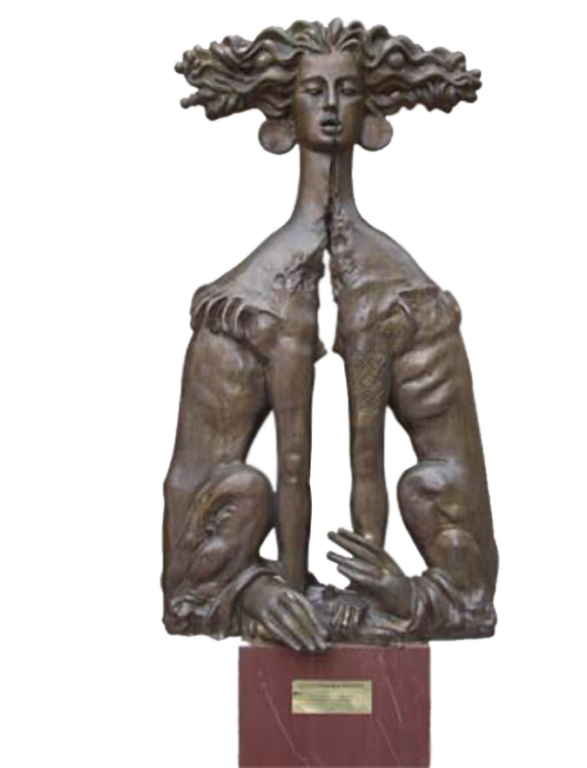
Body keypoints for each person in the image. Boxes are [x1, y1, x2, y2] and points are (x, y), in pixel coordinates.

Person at [162, 15, 498, 647]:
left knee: (424, 485)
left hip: (426, 564)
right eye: (314, 90)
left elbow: (470, 576)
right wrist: (258, 590)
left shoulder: (401, 291)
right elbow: (192, 527)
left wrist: (404, 593)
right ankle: (287, 590)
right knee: (249, 487)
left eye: (347, 90)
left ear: (370, 110)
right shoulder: (245, 300)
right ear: (284, 113)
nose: (333, 107)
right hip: (223, 542)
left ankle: (362, 594)